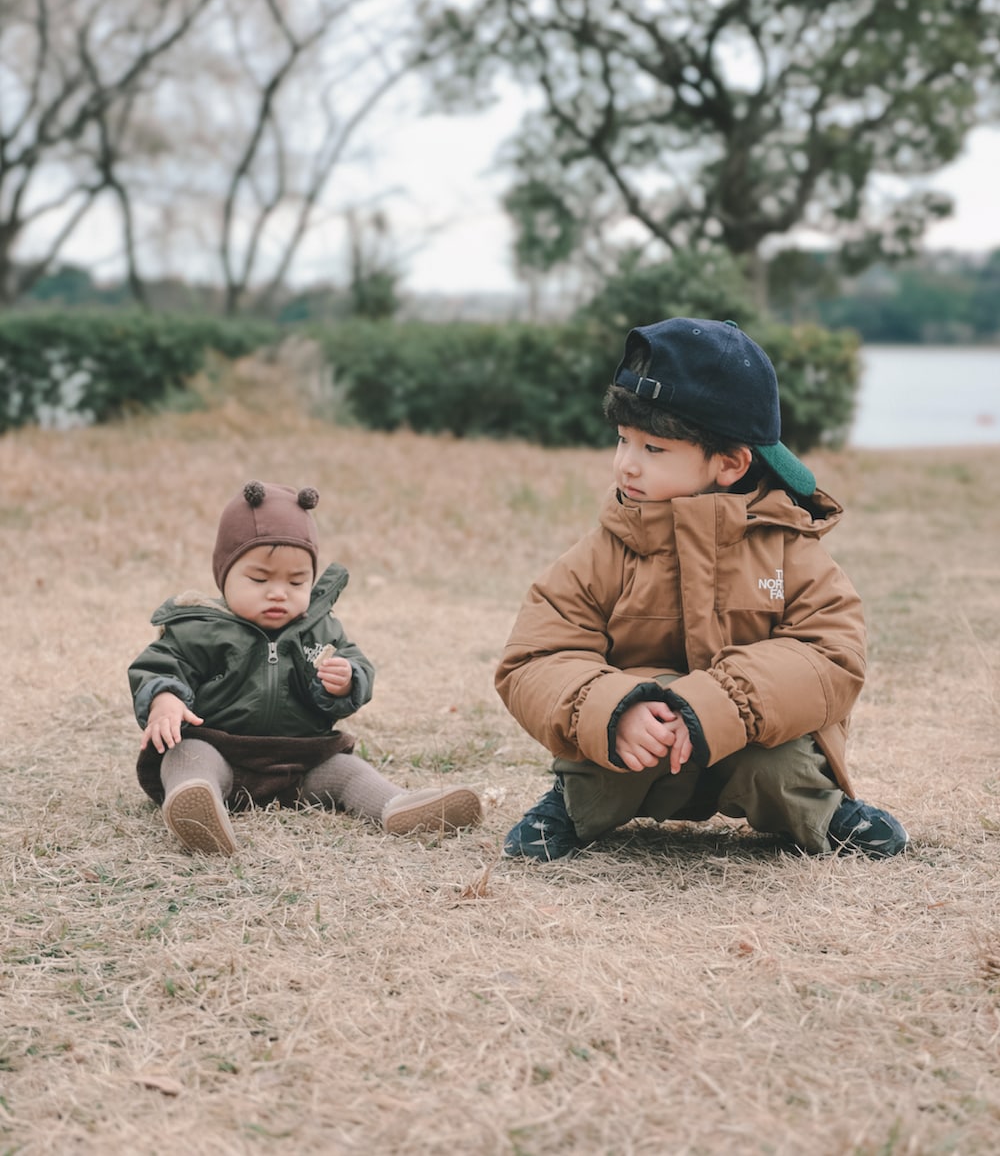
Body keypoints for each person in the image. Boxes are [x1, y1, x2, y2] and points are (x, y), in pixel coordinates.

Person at [497, 317, 908, 862]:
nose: (626, 464)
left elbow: (832, 655)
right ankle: (574, 805)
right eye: (623, 440)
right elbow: (535, 657)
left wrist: (720, 703)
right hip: (641, 743)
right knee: (599, 762)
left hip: (752, 743)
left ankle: (822, 811)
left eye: (654, 449)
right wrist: (615, 710)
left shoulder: (789, 545)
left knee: (783, 766)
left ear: (731, 462)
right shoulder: (606, 548)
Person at [129, 479, 481, 855]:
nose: (279, 592)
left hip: (300, 760)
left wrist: (346, 682)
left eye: (297, 580)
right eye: (259, 579)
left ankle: (397, 806)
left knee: (349, 772)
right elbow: (160, 664)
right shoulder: (199, 627)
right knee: (186, 755)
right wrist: (164, 698)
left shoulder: (320, 627)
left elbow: (355, 662)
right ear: (224, 575)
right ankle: (197, 807)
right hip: (221, 750)